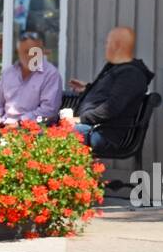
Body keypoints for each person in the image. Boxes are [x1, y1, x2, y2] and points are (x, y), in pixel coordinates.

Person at [65, 26, 154, 155]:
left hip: (102, 133)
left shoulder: (131, 74)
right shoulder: (119, 69)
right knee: (38, 131)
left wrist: (80, 119)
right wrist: (88, 89)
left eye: (107, 43)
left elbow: (111, 108)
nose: (105, 47)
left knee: (46, 135)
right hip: (92, 128)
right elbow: (110, 94)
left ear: (117, 46)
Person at [0, 31, 62, 126]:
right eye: (26, 52)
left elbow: (49, 110)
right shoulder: (9, 73)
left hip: (31, 130)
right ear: (18, 52)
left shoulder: (50, 74)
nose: (30, 56)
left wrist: (19, 123)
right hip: (3, 126)